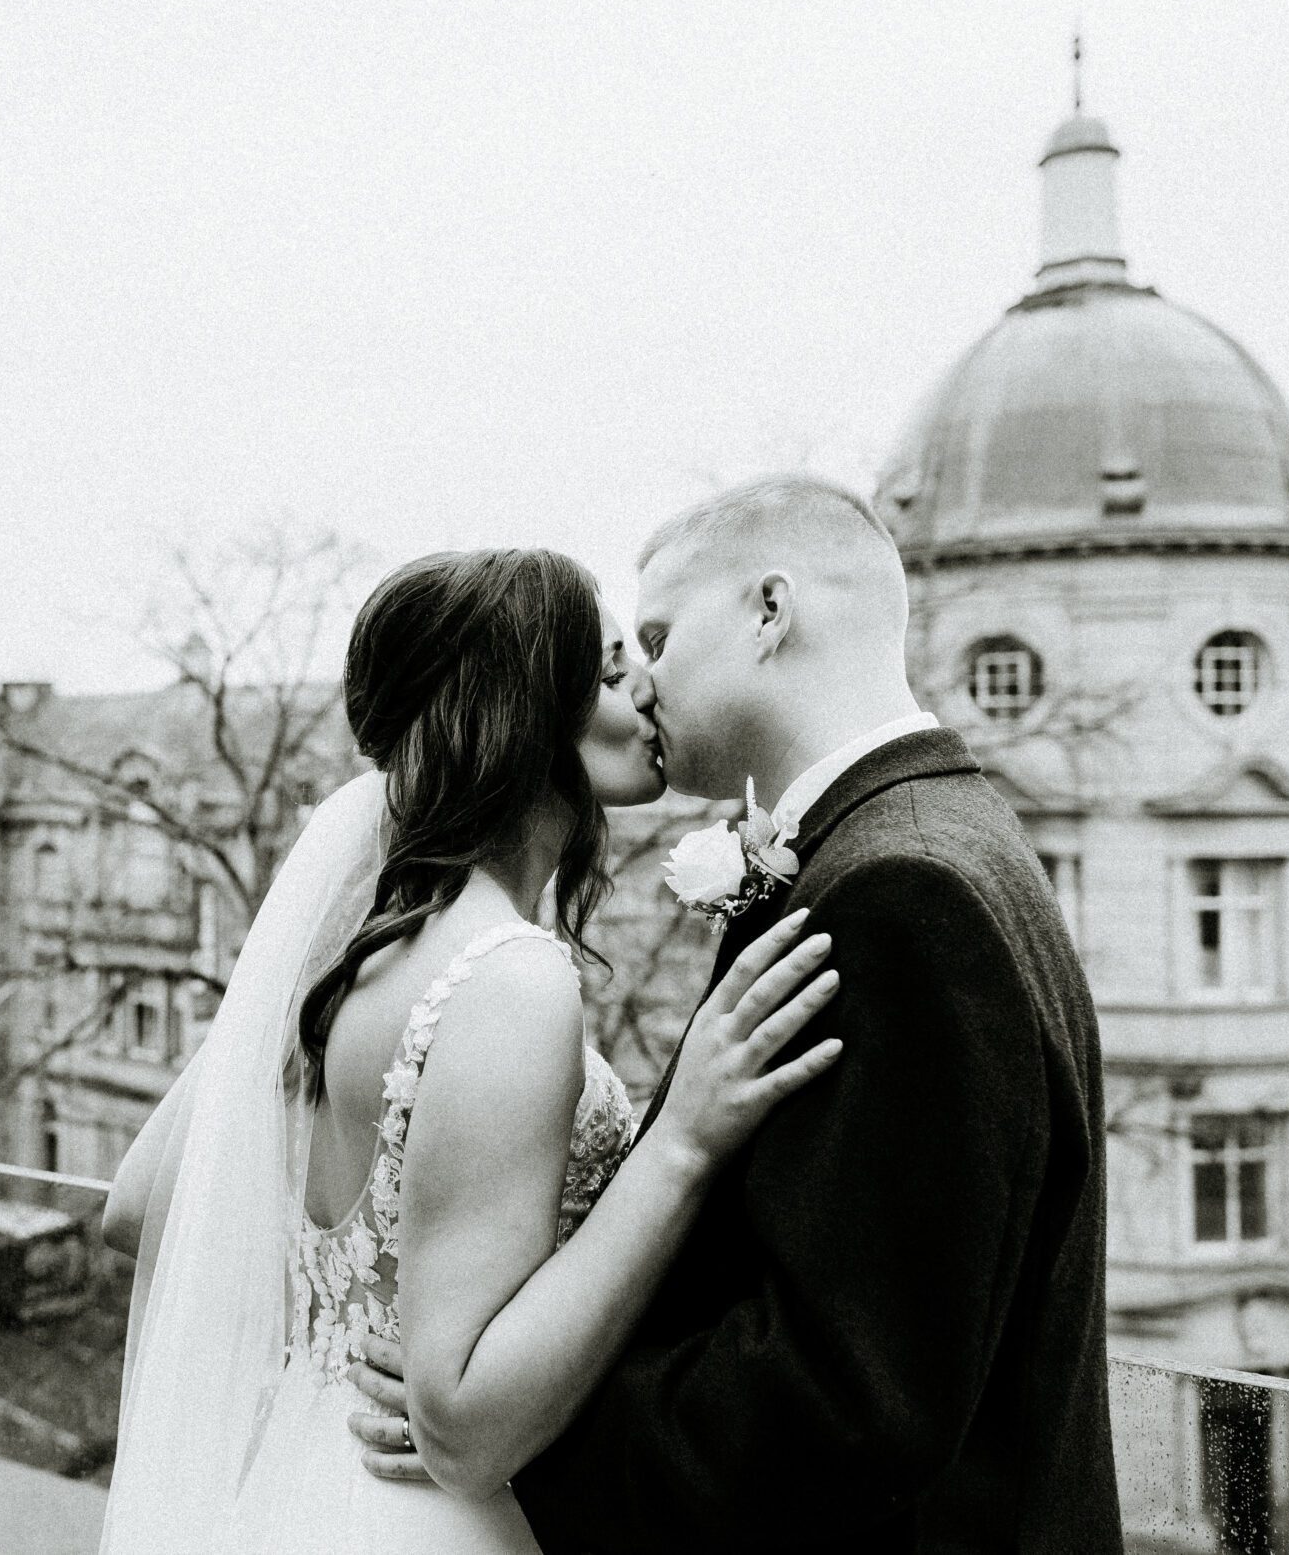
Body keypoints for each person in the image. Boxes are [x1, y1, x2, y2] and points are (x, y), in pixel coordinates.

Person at [353, 474, 1123, 1551]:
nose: (642, 681)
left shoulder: (903, 891)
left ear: (769, 611)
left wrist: (510, 1437)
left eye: (658, 636)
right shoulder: (916, 839)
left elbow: (846, 1401)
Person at [98, 547, 846, 1554]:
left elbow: (136, 1206)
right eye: (611, 667)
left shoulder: (342, 949)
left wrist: (341, 1323)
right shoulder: (506, 976)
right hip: (426, 1520)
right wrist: (684, 1141)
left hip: (301, 1483)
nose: (646, 691)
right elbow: (470, 1425)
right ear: (527, 705)